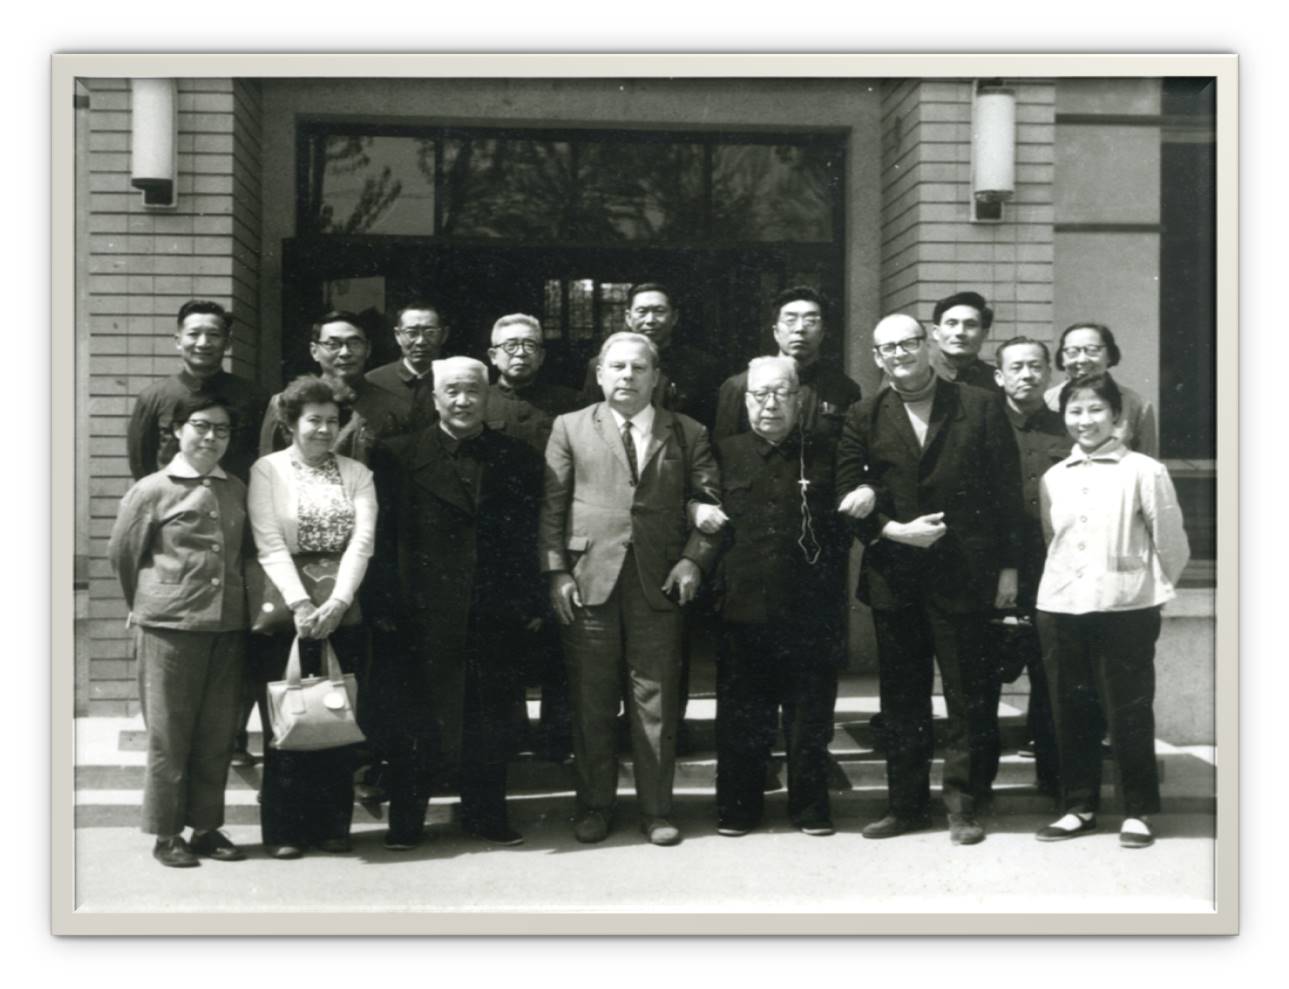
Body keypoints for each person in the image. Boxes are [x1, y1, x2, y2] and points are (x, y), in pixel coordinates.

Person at [836, 313, 1023, 845]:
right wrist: (891, 530)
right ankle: (906, 807)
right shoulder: (863, 414)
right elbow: (845, 491)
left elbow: (1007, 491)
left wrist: (1009, 567)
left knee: (967, 696)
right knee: (902, 699)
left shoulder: (978, 405)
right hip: (895, 577)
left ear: (928, 346)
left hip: (965, 575)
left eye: (908, 343)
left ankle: (964, 806)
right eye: (887, 348)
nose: (899, 354)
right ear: (876, 357)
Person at [541, 331, 723, 846]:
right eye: (617, 367)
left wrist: (693, 561)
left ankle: (657, 811)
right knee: (591, 702)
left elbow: (710, 505)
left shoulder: (687, 430)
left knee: (655, 702)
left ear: (657, 377)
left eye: (639, 368)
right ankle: (594, 806)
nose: (627, 376)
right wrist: (556, 572)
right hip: (588, 581)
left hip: (659, 583)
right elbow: (553, 506)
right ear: (599, 374)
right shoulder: (569, 426)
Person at [367, 357, 545, 850]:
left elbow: (528, 535)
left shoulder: (517, 456)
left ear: (487, 397)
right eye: (452, 391)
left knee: (490, 715)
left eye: (472, 391)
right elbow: (382, 537)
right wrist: (383, 603)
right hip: (419, 611)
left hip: (492, 608)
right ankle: (407, 821)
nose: (463, 401)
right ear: (435, 398)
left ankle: (486, 815)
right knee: (415, 718)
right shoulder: (397, 455)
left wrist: (529, 600)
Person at [1034, 374, 1189, 849]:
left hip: (1126, 609)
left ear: (1117, 416)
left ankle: (1137, 811)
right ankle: (1078, 807)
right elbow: (1052, 539)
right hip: (1061, 606)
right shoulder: (1054, 477)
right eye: (1075, 411)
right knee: (1070, 710)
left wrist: (1139, 588)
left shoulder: (1144, 470)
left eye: (1096, 409)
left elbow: (1172, 543)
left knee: (1128, 711)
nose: (1085, 420)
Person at [705, 357, 850, 837]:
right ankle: (738, 808)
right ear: (745, 400)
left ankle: (810, 808)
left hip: (811, 610)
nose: (770, 404)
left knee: (810, 719)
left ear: (799, 399)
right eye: (760, 394)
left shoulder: (827, 452)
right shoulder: (721, 453)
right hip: (741, 608)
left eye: (781, 394)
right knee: (742, 716)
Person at [108, 394, 250, 867]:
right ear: (177, 431)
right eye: (201, 427)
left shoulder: (235, 488)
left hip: (226, 625)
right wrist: (145, 605)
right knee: (169, 734)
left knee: (217, 734)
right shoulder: (152, 489)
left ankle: (206, 828)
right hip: (168, 627)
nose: (211, 438)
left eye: (222, 430)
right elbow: (123, 555)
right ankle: (166, 833)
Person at [247, 375, 377, 859]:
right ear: (290, 423)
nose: (323, 430)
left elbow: (362, 542)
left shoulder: (358, 474)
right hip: (286, 608)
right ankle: (284, 831)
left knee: (335, 715)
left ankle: (332, 827)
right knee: (287, 718)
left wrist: (339, 602)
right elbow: (268, 541)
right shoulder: (268, 470)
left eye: (332, 421)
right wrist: (301, 603)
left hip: (341, 606)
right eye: (313, 420)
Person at [483, 313, 580, 761]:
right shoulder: (479, 401)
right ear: (492, 355)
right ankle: (509, 735)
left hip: (555, 534)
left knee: (561, 639)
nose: (519, 353)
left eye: (529, 345)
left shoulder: (568, 404)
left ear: (542, 355)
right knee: (501, 640)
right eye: (510, 346)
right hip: (499, 541)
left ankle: (558, 738)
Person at [993, 336, 1071, 799]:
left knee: (1052, 675)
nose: (1027, 374)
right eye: (1017, 367)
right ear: (999, 376)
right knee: (985, 677)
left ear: (1049, 373)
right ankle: (978, 785)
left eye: (1036, 366)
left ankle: (1055, 781)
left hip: (1054, 568)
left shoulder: (1068, 430)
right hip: (993, 571)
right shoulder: (980, 427)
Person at [127, 299, 269, 483]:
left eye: (213, 335)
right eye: (193, 334)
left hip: (234, 498)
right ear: (178, 341)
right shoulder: (154, 397)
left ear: (228, 343)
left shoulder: (254, 397)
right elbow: (141, 465)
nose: (203, 343)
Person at [713, 286, 863, 443]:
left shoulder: (844, 389)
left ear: (822, 332)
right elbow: (725, 448)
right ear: (775, 332)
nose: (800, 329)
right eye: (790, 320)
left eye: (810, 321)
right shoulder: (740, 386)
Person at [259, 311, 413, 461]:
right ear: (314, 351)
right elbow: (268, 469)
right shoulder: (285, 404)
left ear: (368, 349)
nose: (345, 353)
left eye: (354, 343)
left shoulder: (393, 408)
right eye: (333, 344)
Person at [576, 283, 725, 430]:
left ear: (674, 317)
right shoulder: (602, 364)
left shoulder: (701, 365)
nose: (650, 320)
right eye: (642, 311)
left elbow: (707, 425)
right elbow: (589, 422)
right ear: (628, 317)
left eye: (659, 311)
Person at [1043, 322, 1160, 457]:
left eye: (1092, 350)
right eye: (1072, 352)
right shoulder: (1046, 401)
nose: (1082, 359)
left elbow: (1148, 462)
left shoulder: (1137, 406)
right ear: (1062, 358)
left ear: (1109, 355)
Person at [365, 299, 449, 426]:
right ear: (398, 335)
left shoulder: (454, 378)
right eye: (412, 333)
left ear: (444, 335)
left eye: (430, 333)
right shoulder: (373, 382)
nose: (421, 341)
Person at [928, 290, 1003, 394]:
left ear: (984, 334)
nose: (960, 332)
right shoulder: (919, 375)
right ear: (936, 332)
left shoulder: (998, 381)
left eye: (970, 325)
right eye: (951, 323)